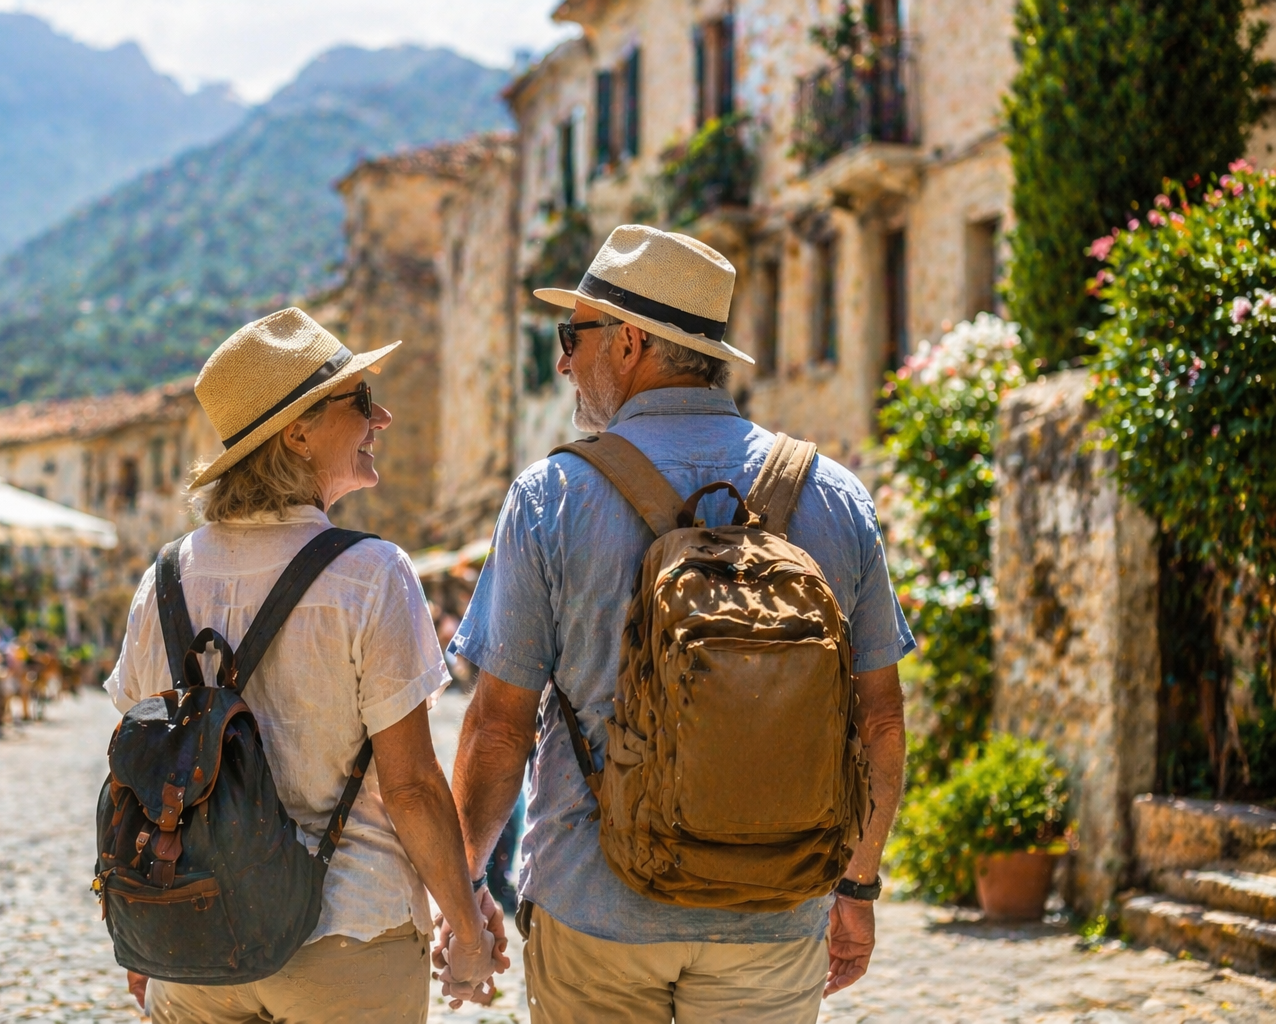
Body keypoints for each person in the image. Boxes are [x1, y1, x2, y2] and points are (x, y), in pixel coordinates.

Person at [441, 226, 913, 1022]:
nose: (562, 362)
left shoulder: (551, 497)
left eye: (573, 336)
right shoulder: (833, 494)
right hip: (775, 912)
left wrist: (462, 904)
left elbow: (497, 728)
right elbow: (882, 722)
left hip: (596, 910)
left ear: (628, 343)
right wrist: (856, 885)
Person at [105, 308, 506, 1023]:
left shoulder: (164, 578)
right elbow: (411, 787)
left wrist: (143, 937)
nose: (380, 416)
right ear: (297, 432)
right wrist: (466, 931)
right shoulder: (371, 575)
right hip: (348, 934)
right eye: (358, 402)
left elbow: (139, 775)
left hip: (198, 937)